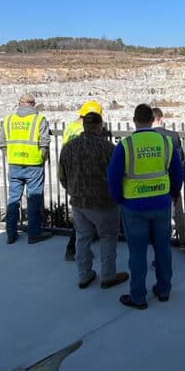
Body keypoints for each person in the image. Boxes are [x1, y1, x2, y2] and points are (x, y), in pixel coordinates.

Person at [108, 104, 183, 310]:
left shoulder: (126, 145)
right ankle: (164, 289)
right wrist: (174, 194)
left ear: (134, 120)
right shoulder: (166, 142)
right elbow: (177, 172)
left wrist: (119, 199)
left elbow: (113, 177)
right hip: (161, 203)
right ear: (152, 119)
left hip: (134, 206)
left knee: (138, 252)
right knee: (163, 249)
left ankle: (138, 296)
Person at [59, 112, 129, 291]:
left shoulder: (68, 147)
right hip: (103, 203)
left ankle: (84, 275)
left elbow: (62, 176)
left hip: (78, 203)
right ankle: (108, 275)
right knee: (107, 237)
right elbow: (118, 175)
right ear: (99, 126)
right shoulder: (108, 148)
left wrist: (73, 190)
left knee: (82, 238)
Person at [0, 92, 52, 244]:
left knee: (13, 200)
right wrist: (42, 158)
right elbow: (44, 142)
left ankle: (11, 234)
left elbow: (1, 143)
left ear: (19, 104)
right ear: (33, 105)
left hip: (14, 165)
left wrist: (11, 155)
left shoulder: (8, 120)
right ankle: (34, 234)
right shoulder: (39, 119)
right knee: (34, 199)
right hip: (34, 165)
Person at [62, 100, 104, 262]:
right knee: (83, 219)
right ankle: (73, 250)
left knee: (80, 214)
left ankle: (77, 249)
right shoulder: (84, 131)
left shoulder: (70, 126)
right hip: (86, 177)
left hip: (72, 176)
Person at [152, 107, 185, 249]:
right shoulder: (173, 136)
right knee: (177, 211)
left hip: (151, 183)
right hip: (169, 181)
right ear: (161, 119)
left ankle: (158, 245)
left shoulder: (145, 137)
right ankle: (184, 240)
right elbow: (180, 161)